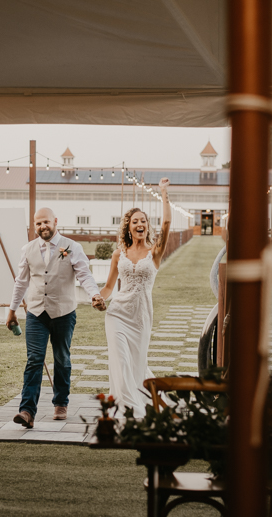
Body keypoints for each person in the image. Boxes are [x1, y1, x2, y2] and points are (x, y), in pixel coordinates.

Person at [6, 207, 105, 428]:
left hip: (63, 313)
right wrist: (12, 310)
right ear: (35, 226)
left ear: (55, 222)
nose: (42, 227)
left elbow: (84, 274)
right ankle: (27, 411)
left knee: (62, 359)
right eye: (38, 223)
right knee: (34, 360)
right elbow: (21, 281)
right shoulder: (28, 249)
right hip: (36, 313)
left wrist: (95, 294)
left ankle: (61, 402)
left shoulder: (72, 247)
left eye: (46, 222)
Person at [99, 178, 171, 417]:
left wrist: (163, 193)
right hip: (117, 314)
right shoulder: (119, 254)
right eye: (135, 221)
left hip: (141, 317)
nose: (140, 224)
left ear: (147, 226)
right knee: (120, 362)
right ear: (128, 228)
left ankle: (145, 397)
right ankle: (128, 409)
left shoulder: (155, 252)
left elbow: (168, 223)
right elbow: (109, 287)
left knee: (136, 365)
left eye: (143, 221)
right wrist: (98, 298)